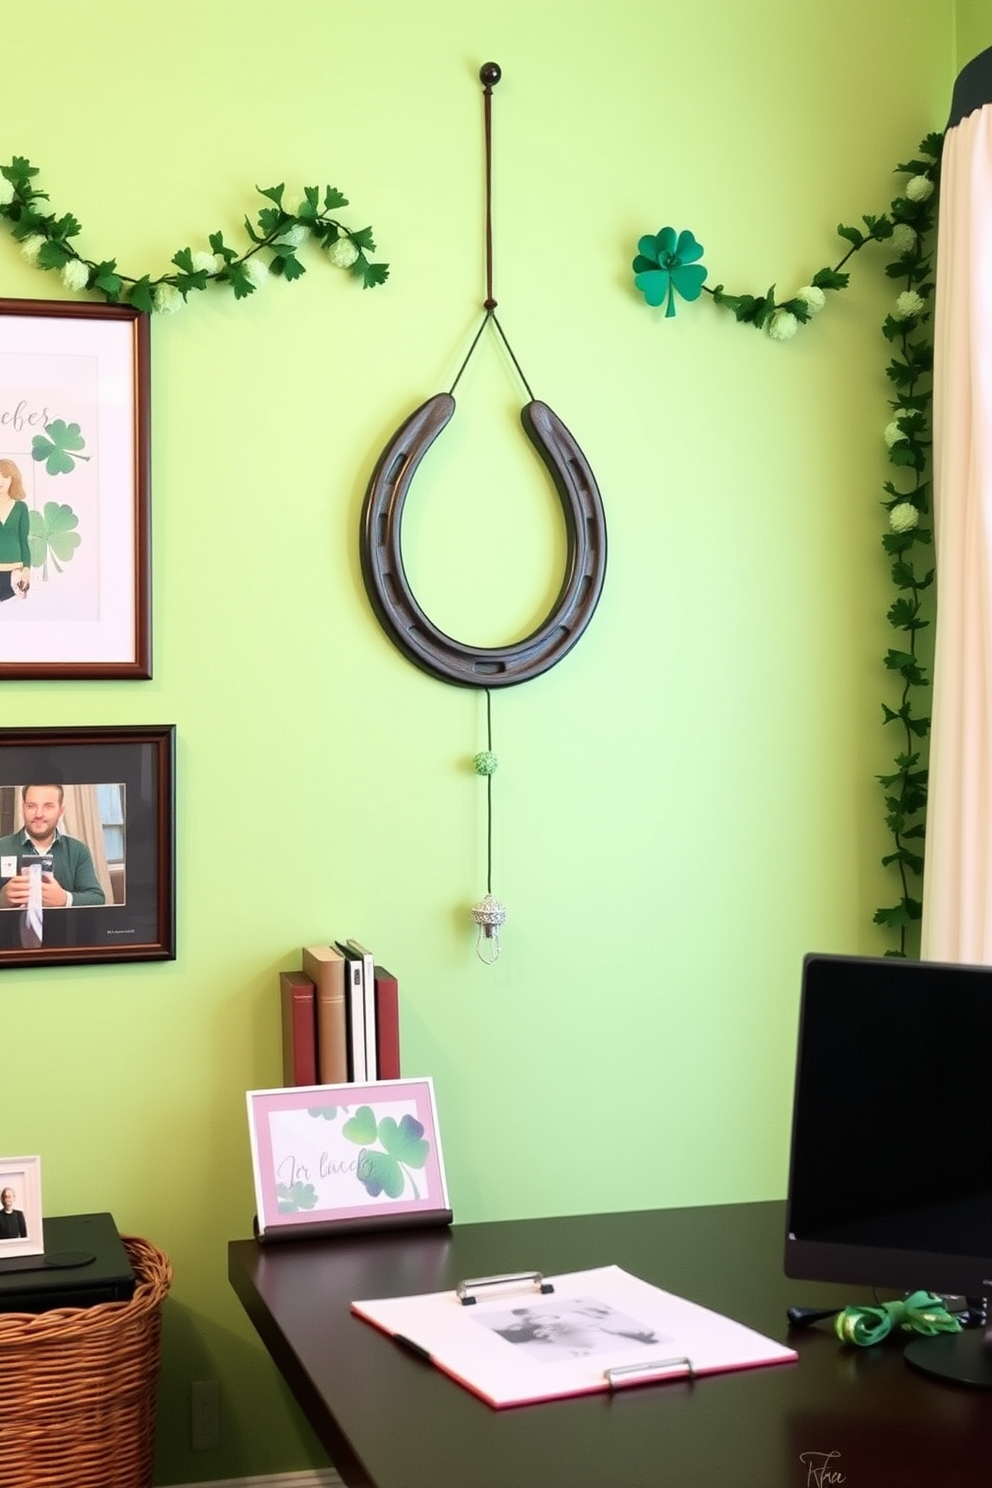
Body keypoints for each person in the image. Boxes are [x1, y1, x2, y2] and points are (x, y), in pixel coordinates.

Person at [0, 784, 107, 909]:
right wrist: (2, 900)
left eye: (48, 806)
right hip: (12, 928)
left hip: (65, 927)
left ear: (61, 810)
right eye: (31, 806)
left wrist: (65, 899)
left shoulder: (78, 850)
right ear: (23, 808)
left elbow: (97, 898)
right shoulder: (2, 847)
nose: (38, 814)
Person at [0, 459, 31, 604]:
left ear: (13, 479)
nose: (1, 480)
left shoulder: (21, 508)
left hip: (14, 572)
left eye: (5, 476)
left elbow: (24, 540)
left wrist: (26, 569)